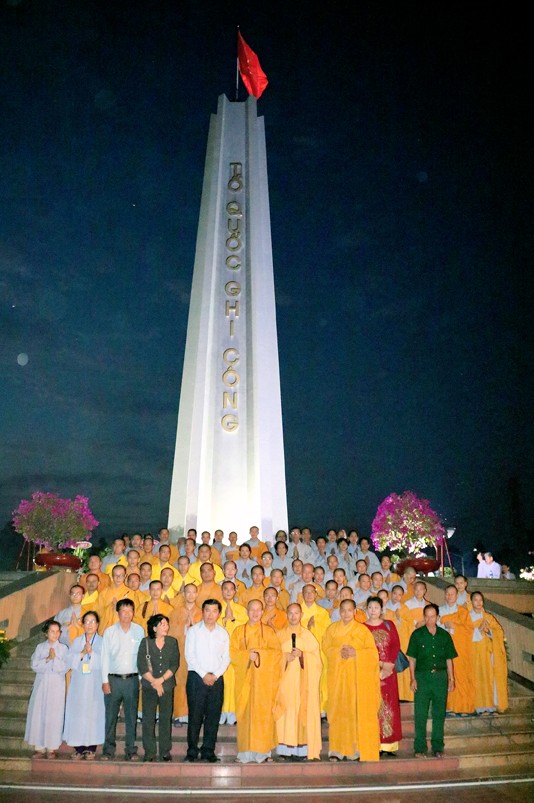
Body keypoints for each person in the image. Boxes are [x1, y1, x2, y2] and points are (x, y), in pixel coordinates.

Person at [322, 599, 381, 761]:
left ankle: (355, 749)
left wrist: (356, 653)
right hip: (337, 679)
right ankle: (337, 749)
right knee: (338, 712)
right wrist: (339, 652)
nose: (346, 613)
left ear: (355, 612)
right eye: (343, 610)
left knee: (354, 713)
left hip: (356, 681)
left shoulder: (362, 630)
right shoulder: (332, 629)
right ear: (339, 612)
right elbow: (325, 647)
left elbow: (372, 653)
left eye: (349, 610)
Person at [230, 599, 283, 763]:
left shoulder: (268, 631)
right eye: (251, 609)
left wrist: (259, 654)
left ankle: (263, 753)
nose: (255, 613)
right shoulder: (238, 631)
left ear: (262, 612)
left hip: (264, 683)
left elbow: (277, 654)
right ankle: (244, 754)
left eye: (258, 610)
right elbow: (232, 653)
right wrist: (247, 656)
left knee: (262, 716)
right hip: (244, 680)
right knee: (245, 715)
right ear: (247, 612)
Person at [407, 603, 457, 758]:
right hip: (422, 677)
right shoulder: (417, 635)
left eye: (433, 616)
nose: (429, 620)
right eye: (427, 616)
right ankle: (419, 748)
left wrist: (451, 678)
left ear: (438, 617)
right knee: (420, 714)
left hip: (440, 678)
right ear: (423, 617)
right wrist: (412, 678)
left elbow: (449, 659)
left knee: (439, 713)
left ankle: (437, 747)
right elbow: (412, 659)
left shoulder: (444, 635)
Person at [274, 603, 322, 761]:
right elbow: (272, 658)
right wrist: (284, 658)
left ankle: (301, 750)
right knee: (285, 713)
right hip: (285, 684)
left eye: (296, 613)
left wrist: (303, 656)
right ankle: (284, 749)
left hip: (303, 684)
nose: (293, 616)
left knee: (301, 713)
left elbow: (317, 662)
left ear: (301, 615)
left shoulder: (307, 636)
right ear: (286, 615)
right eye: (290, 613)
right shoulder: (279, 635)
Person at [184, 599, 230, 762]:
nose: (210, 614)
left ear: (219, 613)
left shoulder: (223, 633)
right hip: (196, 678)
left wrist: (215, 675)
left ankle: (208, 751)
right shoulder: (193, 631)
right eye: (207, 610)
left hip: (217, 679)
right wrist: (204, 674)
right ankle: (192, 751)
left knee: (213, 716)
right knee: (195, 716)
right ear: (202, 612)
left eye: (214, 611)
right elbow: (189, 655)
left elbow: (226, 658)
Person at [101, 598, 144, 761]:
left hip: (132, 680)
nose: (127, 614)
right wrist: (104, 681)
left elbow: (141, 656)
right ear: (118, 613)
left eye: (130, 610)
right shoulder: (109, 632)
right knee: (110, 717)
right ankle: (108, 750)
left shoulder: (139, 631)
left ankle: (131, 750)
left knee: (131, 717)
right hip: (113, 680)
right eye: (123, 611)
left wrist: (141, 678)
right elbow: (104, 657)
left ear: (133, 613)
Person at [137, 614, 179, 762]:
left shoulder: (172, 642)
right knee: (148, 719)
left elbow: (174, 665)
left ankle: (165, 751)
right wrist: (155, 682)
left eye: (167, 624)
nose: (166, 627)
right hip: (149, 687)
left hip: (167, 686)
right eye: (162, 624)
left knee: (165, 719)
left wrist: (160, 681)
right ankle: (149, 751)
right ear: (154, 628)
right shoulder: (145, 642)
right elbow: (142, 666)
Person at [63, 610, 105, 760]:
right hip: (79, 684)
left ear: (98, 624)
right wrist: (82, 653)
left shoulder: (102, 641)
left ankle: (91, 748)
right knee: (78, 713)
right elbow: (69, 661)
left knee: (93, 714)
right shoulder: (77, 641)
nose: (90, 625)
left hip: (95, 684)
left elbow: (104, 662)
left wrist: (92, 653)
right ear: (83, 624)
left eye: (93, 622)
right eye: (87, 622)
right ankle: (78, 748)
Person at [24, 620, 69, 759]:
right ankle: (39, 748)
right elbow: (34, 665)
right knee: (38, 714)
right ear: (46, 633)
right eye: (52, 631)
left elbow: (65, 667)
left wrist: (55, 659)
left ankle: (51, 748)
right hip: (41, 685)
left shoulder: (63, 648)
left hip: (56, 686)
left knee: (54, 716)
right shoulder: (40, 647)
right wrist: (48, 659)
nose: (55, 634)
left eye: (57, 631)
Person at [363, 596, 402, 756]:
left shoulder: (389, 625)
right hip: (369, 672)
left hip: (389, 672)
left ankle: (389, 745)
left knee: (389, 705)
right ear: (366, 609)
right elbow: (363, 650)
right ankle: (374, 743)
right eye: (370, 607)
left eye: (376, 608)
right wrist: (379, 664)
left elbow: (395, 645)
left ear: (381, 609)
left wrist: (389, 665)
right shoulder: (362, 628)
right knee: (372, 706)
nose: (373, 611)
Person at [168, 583, 202, 727]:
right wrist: (184, 627)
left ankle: (195, 714)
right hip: (181, 651)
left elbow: (205, 634)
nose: (190, 595)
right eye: (188, 592)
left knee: (196, 682)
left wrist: (193, 627)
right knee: (180, 681)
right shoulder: (175, 612)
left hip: (197, 653)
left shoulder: (201, 612)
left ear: (197, 594)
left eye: (193, 592)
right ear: (183, 594)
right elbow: (170, 632)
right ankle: (179, 714)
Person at [469, 591, 508, 714]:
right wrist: (478, 629)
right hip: (474, 653)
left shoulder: (488, 617)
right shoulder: (467, 617)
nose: (478, 602)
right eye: (476, 600)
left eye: (480, 600)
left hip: (488, 653)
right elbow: (464, 634)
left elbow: (499, 631)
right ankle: (477, 705)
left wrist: (489, 631)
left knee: (489, 679)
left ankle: (490, 705)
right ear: (471, 602)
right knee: (477, 679)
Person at [439, 585, 475, 715]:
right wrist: (444, 624)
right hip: (443, 648)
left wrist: (454, 626)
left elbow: (469, 630)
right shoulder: (439, 610)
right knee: (445, 676)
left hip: (460, 649)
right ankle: (448, 706)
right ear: (444, 595)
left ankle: (462, 706)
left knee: (461, 676)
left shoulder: (463, 612)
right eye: (447, 593)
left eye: (452, 594)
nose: (449, 596)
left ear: (457, 596)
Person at [217, 580, 248, 725]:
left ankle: (234, 713)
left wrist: (233, 620)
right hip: (220, 652)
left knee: (235, 682)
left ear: (235, 591)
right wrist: (224, 620)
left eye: (231, 589)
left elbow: (245, 628)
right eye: (225, 589)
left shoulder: (241, 610)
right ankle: (221, 712)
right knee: (221, 682)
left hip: (236, 651)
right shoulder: (215, 608)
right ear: (221, 591)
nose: (228, 592)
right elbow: (211, 626)